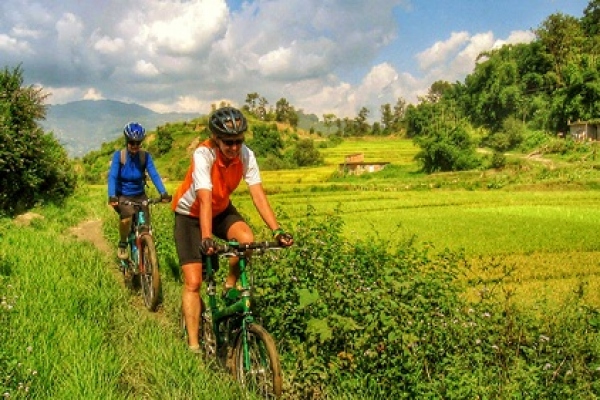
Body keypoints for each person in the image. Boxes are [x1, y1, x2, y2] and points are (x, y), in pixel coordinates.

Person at [172, 106, 293, 353]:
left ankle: (229, 285)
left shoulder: (246, 155)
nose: (234, 147)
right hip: (190, 215)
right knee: (194, 282)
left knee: (246, 239)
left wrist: (277, 230)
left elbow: (258, 193)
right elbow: (204, 198)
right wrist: (206, 238)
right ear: (216, 139)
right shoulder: (204, 155)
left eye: (239, 141)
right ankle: (193, 347)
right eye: (228, 142)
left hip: (220, 209)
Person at [108, 122, 171, 259]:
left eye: (138, 143)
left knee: (145, 227)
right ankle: (123, 244)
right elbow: (112, 176)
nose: (135, 146)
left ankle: (147, 258)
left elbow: (154, 174)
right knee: (127, 217)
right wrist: (112, 196)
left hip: (139, 195)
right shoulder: (119, 156)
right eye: (132, 143)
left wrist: (163, 192)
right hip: (122, 195)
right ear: (127, 141)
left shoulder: (145, 156)